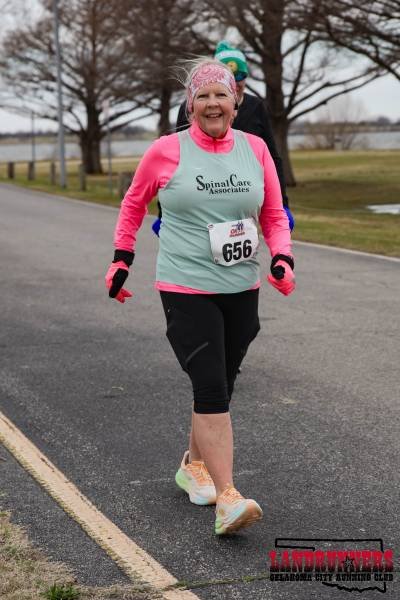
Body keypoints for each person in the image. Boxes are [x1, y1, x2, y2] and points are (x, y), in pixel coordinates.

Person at [105, 59, 295, 535]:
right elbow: (133, 203)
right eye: (203, 96)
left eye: (221, 95)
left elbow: (274, 213)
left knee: (220, 385)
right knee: (210, 386)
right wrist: (121, 259)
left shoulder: (254, 148)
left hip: (241, 285)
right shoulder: (166, 150)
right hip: (186, 285)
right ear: (190, 106)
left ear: (236, 102)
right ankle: (228, 498)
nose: (213, 104)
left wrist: (282, 257)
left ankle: (193, 465)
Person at [152, 41, 294, 236]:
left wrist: (282, 204)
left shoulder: (256, 107)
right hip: (201, 195)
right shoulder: (191, 107)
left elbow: (272, 158)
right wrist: (163, 213)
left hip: (240, 194)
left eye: (240, 76)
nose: (236, 83)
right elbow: (173, 163)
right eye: (229, 77)